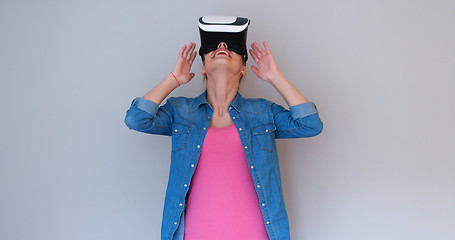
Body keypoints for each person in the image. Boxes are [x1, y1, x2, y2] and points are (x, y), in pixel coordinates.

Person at [124, 16, 323, 240]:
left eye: (230, 46)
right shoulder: (181, 112)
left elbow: (310, 124)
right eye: (214, 45)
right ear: (202, 68)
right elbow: (136, 119)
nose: (221, 46)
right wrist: (174, 79)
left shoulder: (263, 113)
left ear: (244, 68)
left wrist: (275, 77)